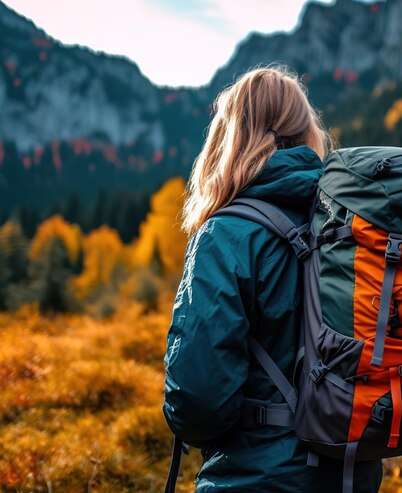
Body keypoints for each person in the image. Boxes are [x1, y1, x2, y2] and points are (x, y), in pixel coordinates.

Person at [162, 66, 383, 492]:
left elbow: (199, 401)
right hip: (353, 471)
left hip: (256, 479)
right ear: (306, 133)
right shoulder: (351, 225)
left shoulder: (224, 235)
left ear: (230, 137)